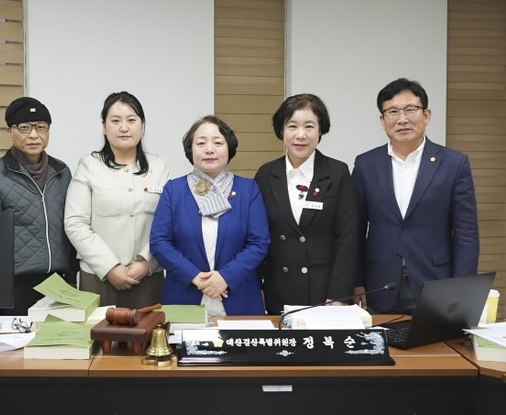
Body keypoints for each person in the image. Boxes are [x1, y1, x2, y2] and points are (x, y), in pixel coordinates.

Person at [352, 77, 479, 314]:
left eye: (410, 109)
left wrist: (462, 289)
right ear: (382, 120)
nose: (402, 119)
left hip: (436, 281)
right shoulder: (366, 164)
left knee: (434, 339)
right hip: (378, 284)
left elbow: (466, 231)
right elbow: (355, 229)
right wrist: (356, 279)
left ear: (426, 115)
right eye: (392, 111)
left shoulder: (454, 163)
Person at [150, 115, 270, 316]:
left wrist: (225, 277)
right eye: (201, 143)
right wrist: (196, 277)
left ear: (229, 147)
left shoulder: (249, 189)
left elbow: (259, 242)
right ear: (191, 150)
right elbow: (159, 242)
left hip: (239, 296)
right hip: (185, 295)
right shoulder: (174, 190)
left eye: (217, 142)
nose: (209, 149)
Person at [254, 94, 359, 315]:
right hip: (278, 288)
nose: (300, 135)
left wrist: (338, 294)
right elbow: (256, 236)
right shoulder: (266, 174)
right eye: (292, 126)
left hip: (325, 292)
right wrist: (257, 287)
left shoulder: (337, 172)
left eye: (309, 126)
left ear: (321, 130)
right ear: (281, 130)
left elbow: (348, 238)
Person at [64, 91, 170, 309]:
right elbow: (75, 223)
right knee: (99, 332)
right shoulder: (88, 166)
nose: (124, 127)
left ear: (142, 125)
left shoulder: (160, 167)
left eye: (131, 120)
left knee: (150, 330)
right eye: (115, 121)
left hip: (148, 277)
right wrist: (110, 267)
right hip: (98, 276)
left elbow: (169, 224)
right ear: (104, 126)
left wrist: (146, 263)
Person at [0, 97, 77, 316]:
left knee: (59, 338)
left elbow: (71, 228)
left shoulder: (62, 172)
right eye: (24, 128)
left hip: (58, 283)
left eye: (41, 127)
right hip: (13, 286)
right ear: (9, 132)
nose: (34, 135)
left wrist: (72, 279)